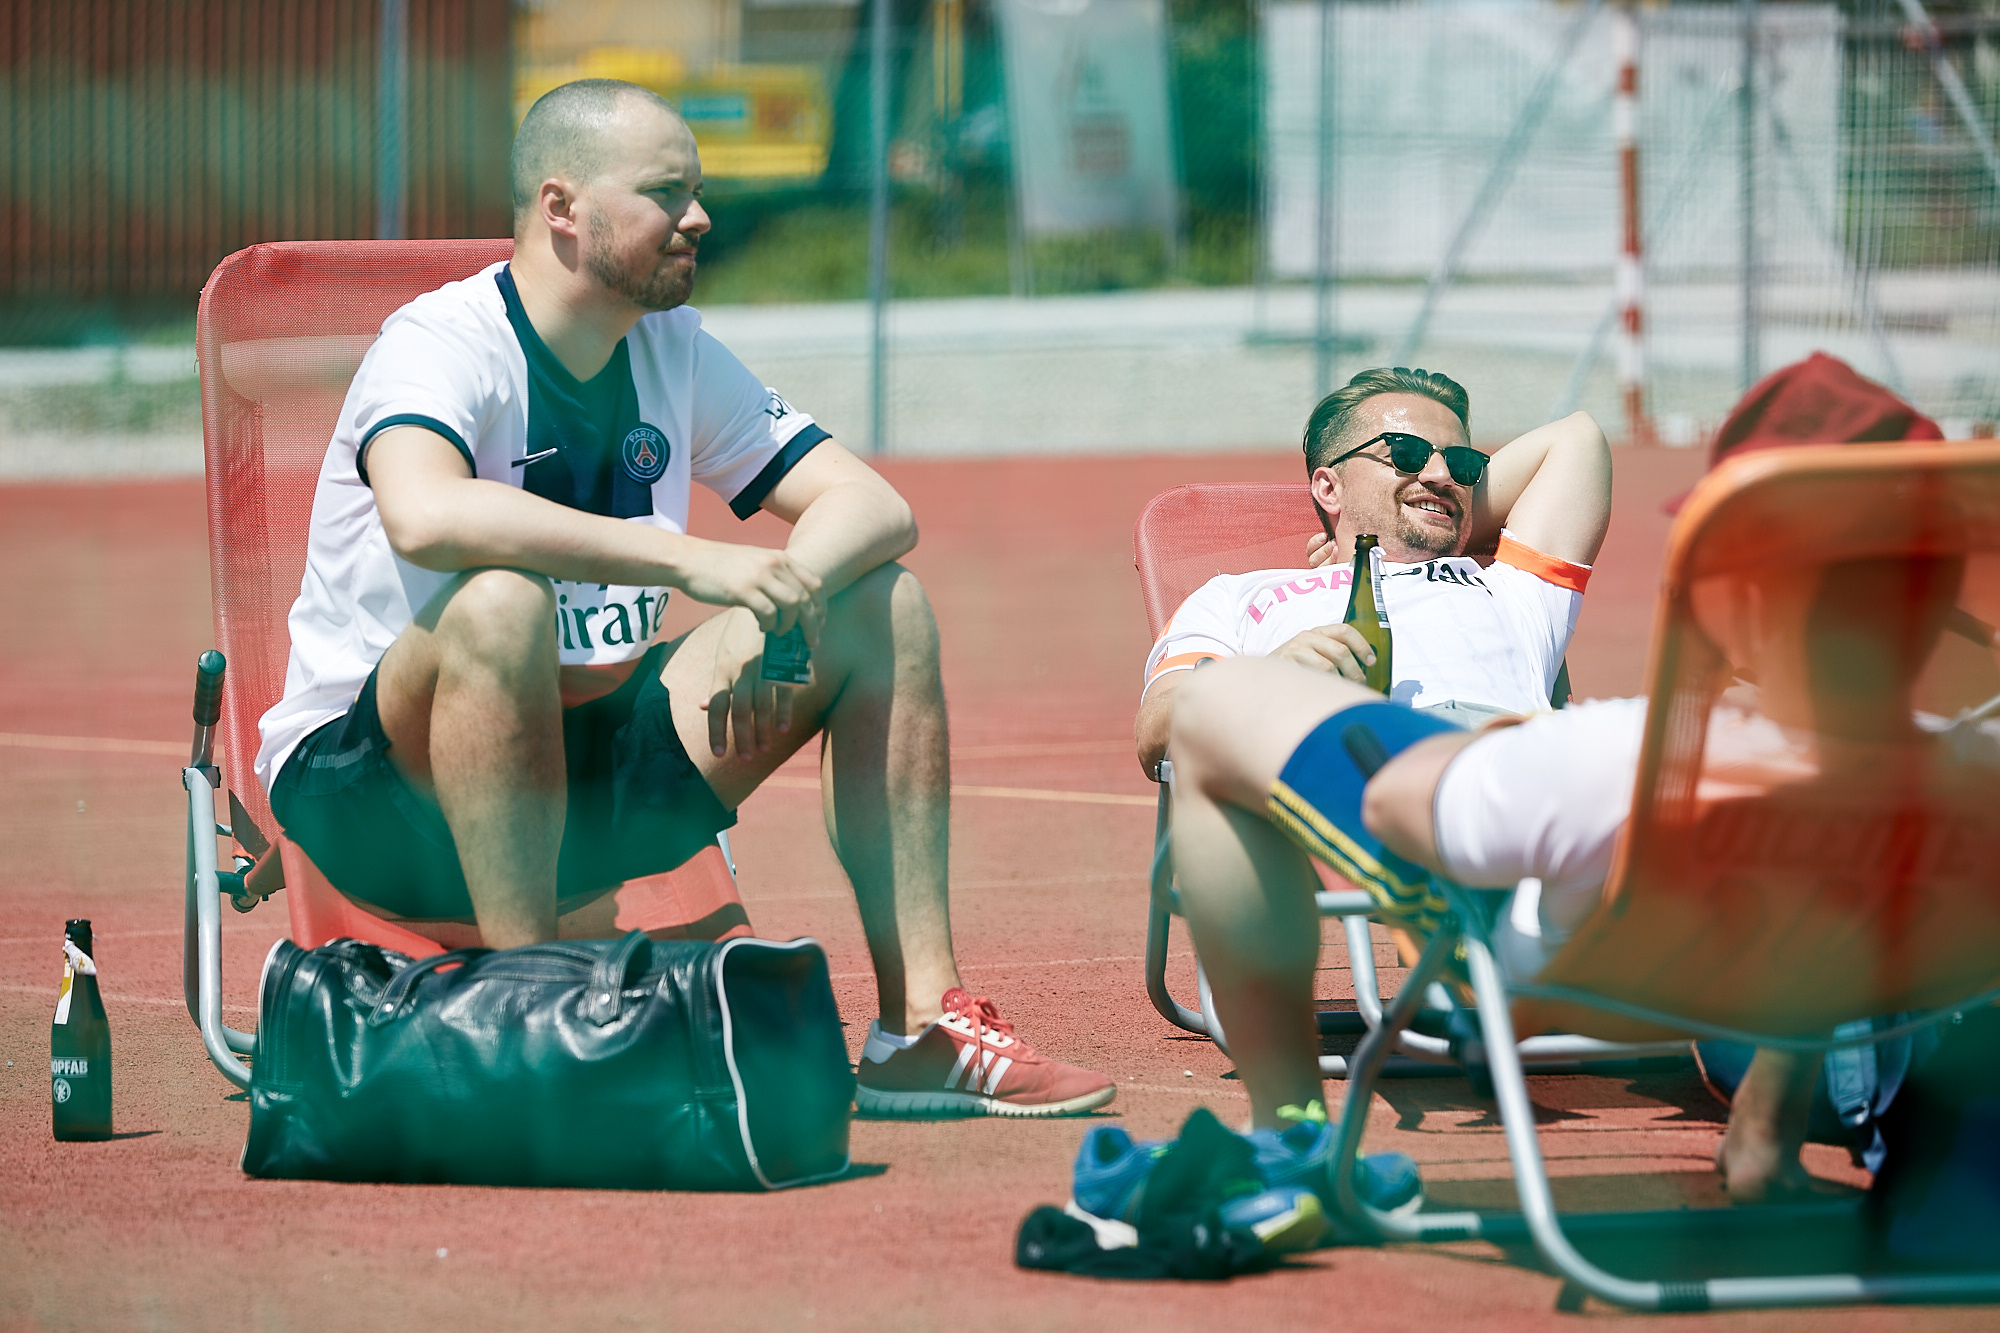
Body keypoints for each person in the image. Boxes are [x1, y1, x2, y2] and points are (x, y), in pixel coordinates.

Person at [254, 78, 1113, 1119]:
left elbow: (871, 504)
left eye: (696, 191)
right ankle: (531, 1031)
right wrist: (695, 563)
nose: (698, 216)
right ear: (562, 208)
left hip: (586, 770)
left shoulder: (673, 349)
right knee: (501, 604)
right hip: (382, 793)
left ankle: (920, 1028)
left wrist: (780, 599)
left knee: (882, 606)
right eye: (666, 192)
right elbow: (425, 514)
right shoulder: (440, 342)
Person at [1164, 548, 1995, 1201]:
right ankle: (1766, 1130)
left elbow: (1396, 808)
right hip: (1788, 971)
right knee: (1820, 888)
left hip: (1555, 973)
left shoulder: (1628, 753)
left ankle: (1291, 1137)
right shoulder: (1974, 774)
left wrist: (1510, 744)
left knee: (1211, 707)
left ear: (1744, 610)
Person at [1134, 367, 1612, 778]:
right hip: (1339, 768)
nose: (1441, 475)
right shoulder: (1235, 596)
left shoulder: (1509, 587)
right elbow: (1155, 730)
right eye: (1407, 454)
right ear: (1329, 488)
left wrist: (1438, 520)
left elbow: (1579, 438)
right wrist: (1263, 681)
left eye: (1461, 464)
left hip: (1500, 765)